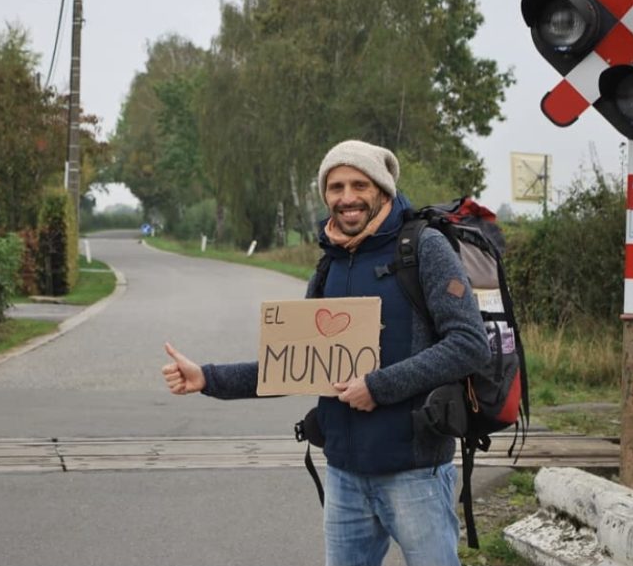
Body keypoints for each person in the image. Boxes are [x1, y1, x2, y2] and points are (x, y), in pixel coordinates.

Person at [160, 139, 491, 566]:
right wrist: (207, 378)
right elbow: (292, 367)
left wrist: (379, 386)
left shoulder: (424, 249)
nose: (347, 197)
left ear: (383, 190)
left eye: (359, 184)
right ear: (325, 196)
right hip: (344, 473)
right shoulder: (329, 264)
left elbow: (469, 344)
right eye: (336, 187)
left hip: (414, 472)